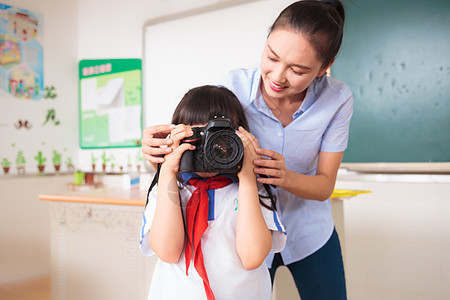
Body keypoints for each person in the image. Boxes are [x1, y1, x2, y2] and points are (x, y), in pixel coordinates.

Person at [141, 1, 351, 299]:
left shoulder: (337, 99)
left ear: (324, 67)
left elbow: (324, 185)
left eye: (297, 70)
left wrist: (281, 176)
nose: (278, 76)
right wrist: (161, 155)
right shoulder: (233, 86)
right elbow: (204, 152)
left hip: (307, 229)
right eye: (272, 57)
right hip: (240, 225)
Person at [139, 85, 286, 300]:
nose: (209, 149)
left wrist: (246, 175)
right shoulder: (169, 187)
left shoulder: (253, 188)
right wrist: (168, 172)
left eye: (220, 139)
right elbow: (168, 251)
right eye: (197, 139)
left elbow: (252, 257)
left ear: (241, 139)